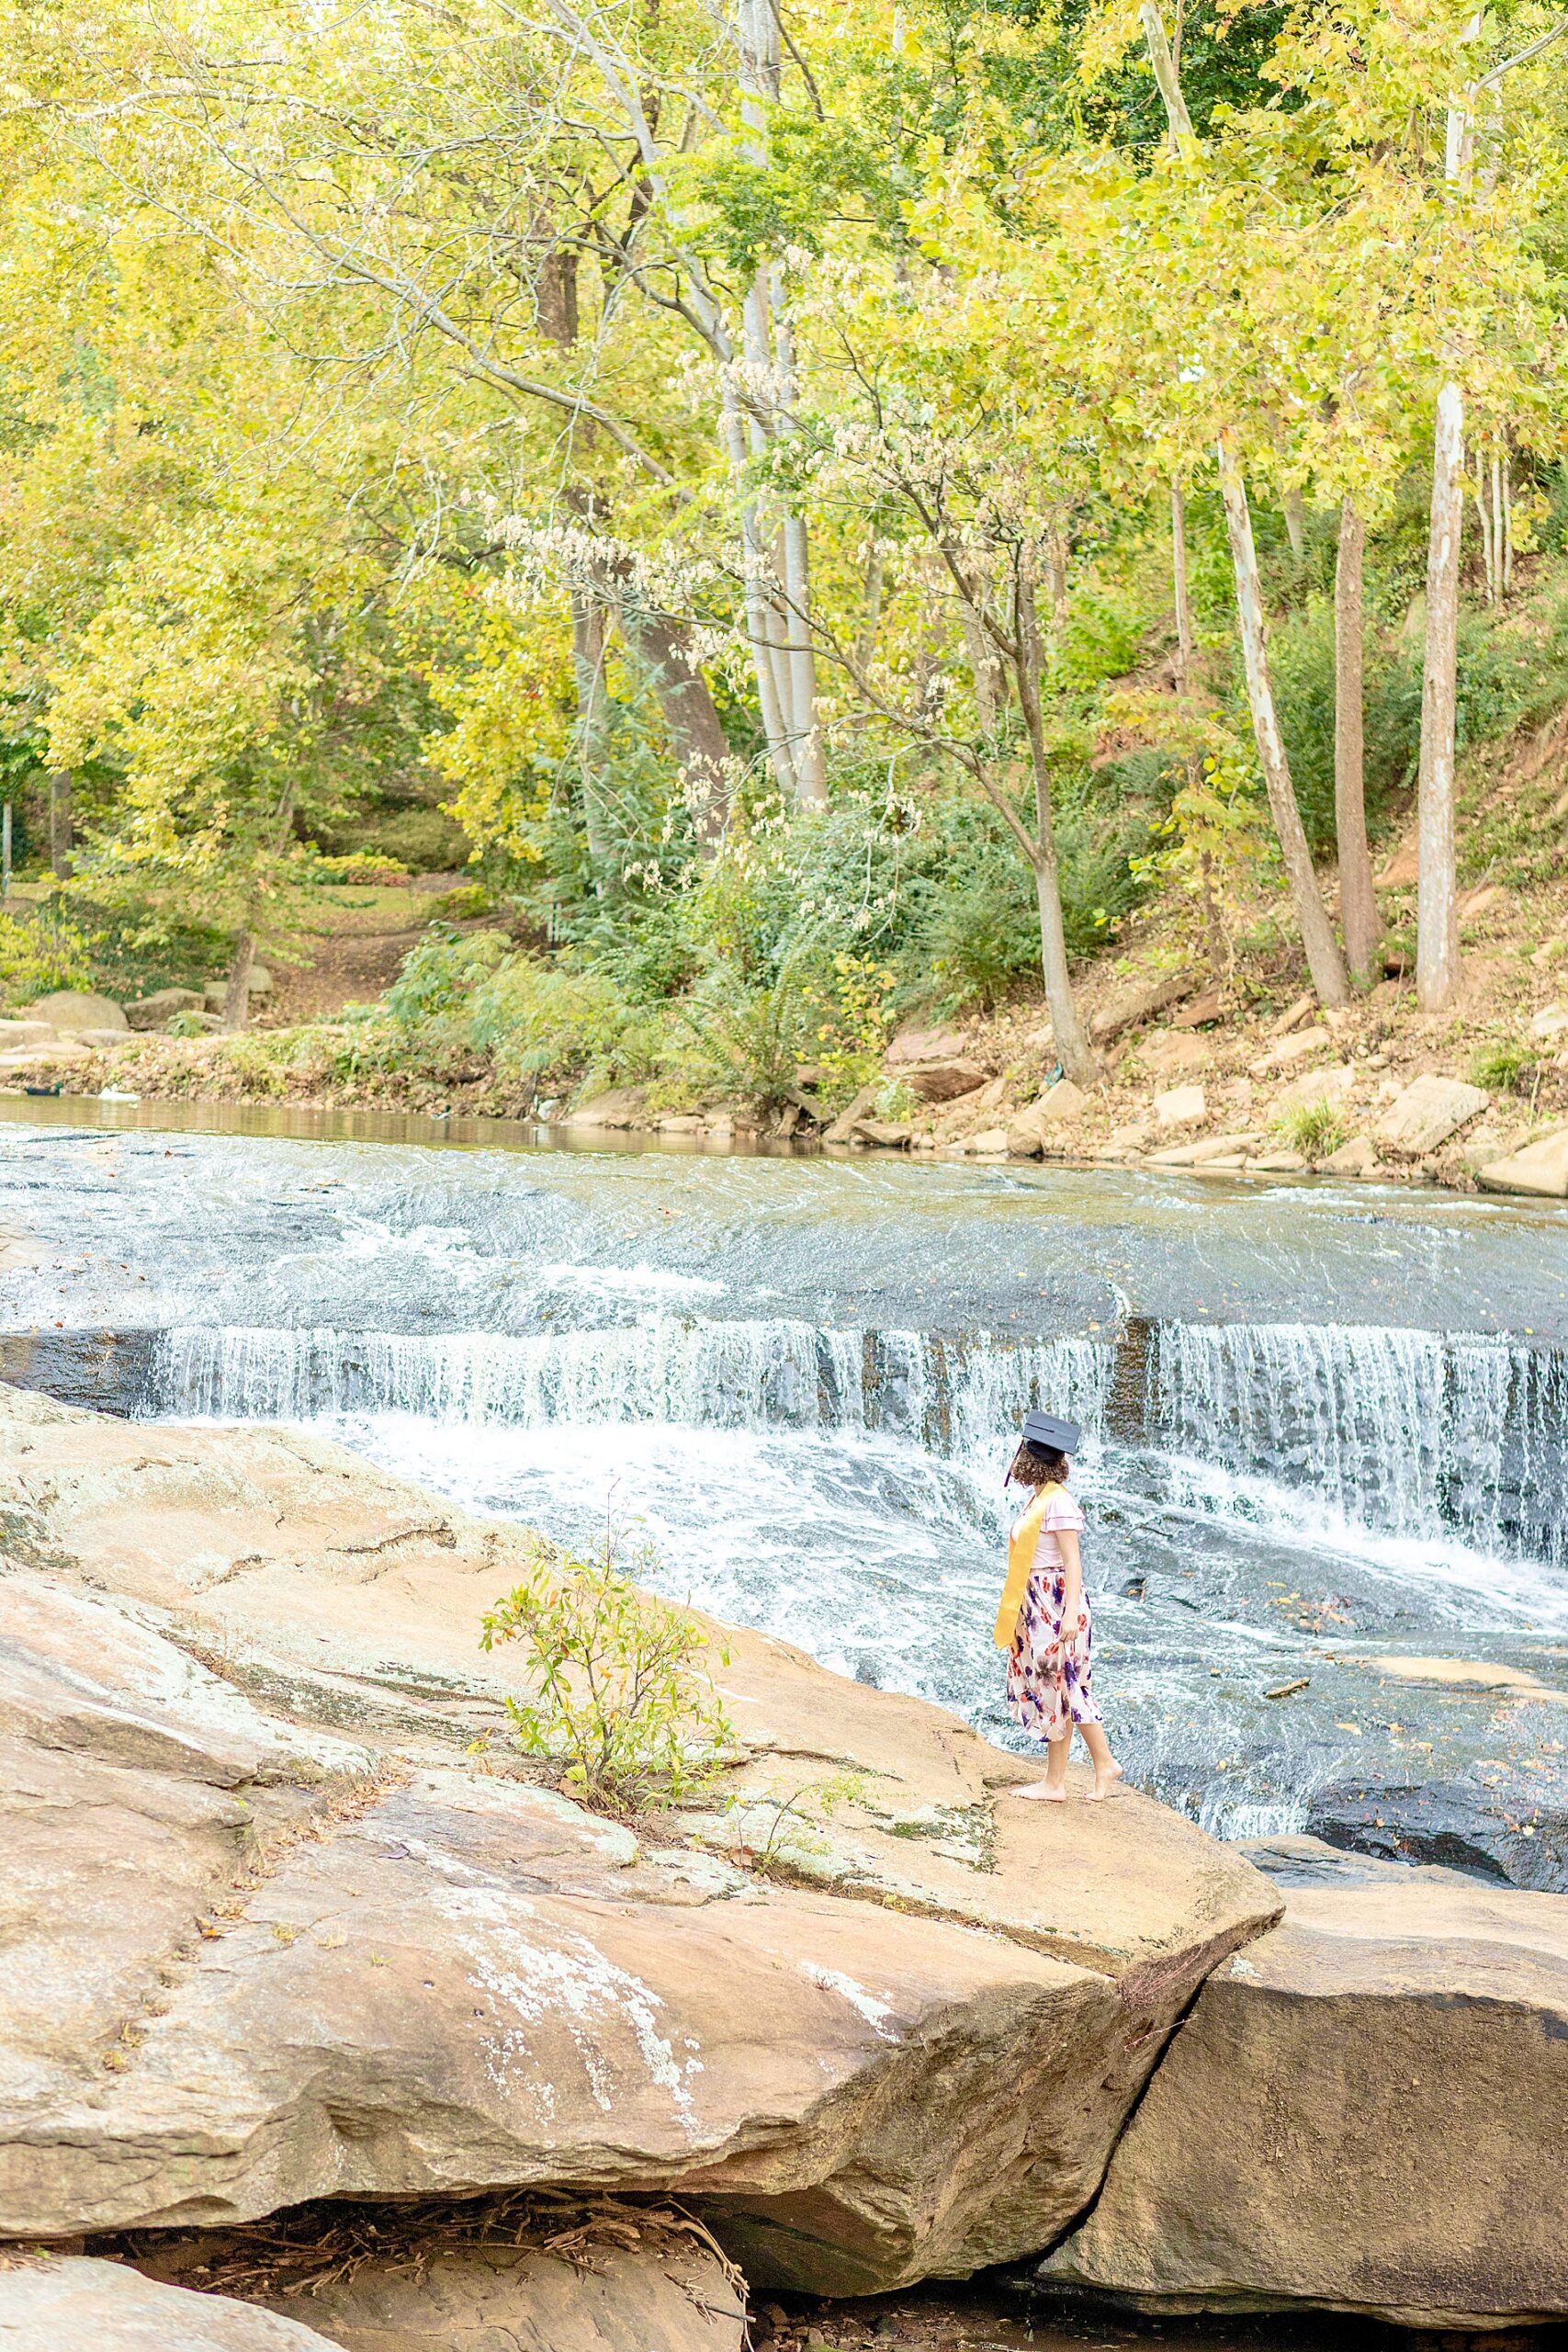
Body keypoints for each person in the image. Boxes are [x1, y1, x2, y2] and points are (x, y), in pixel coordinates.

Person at [994, 1409, 1122, 1802]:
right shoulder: (1039, 1500)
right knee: (1055, 1689)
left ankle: (1103, 1763)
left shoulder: (1058, 1503)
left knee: (1067, 1684)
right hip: (1037, 1603)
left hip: (1057, 1603)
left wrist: (1068, 1613)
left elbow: (1073, 1562)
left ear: (1029, 1461)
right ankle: (1057, 1782)